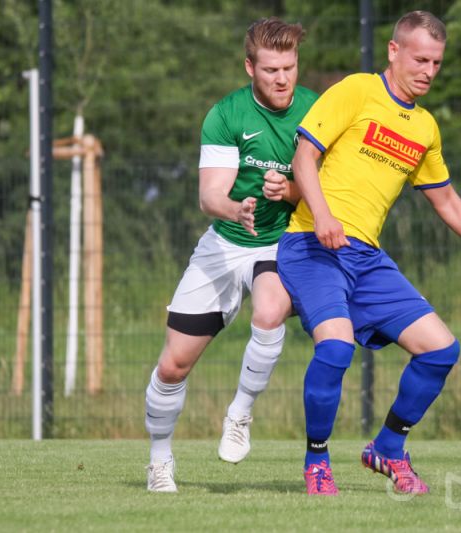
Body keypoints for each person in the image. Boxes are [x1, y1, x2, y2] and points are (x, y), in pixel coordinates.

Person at [277, 10, 461, 496]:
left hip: (366, 258)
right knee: (336, 347)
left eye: (436, 63)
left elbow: (446, 200)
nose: (428, 71)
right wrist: (322, 215)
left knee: (441, 349)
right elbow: (304, 157)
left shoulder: (425, 127)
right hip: (311, 244)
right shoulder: (357, 90)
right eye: (420, 59)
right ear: (394, 51)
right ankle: (317, 462)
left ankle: (388, 448)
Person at [144, 17, 318, 493]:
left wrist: (291, 191)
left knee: (269, 310)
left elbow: (328, 188)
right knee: (172, 366)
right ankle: (159, 461)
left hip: (280, 242)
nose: (282, 79)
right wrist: (236, 209)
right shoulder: (226, 114)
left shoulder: (316, 111)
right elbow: (209, 196)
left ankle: (240, 413)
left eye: (289, 68)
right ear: (249, 68)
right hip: (223, 243)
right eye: (271, 70)